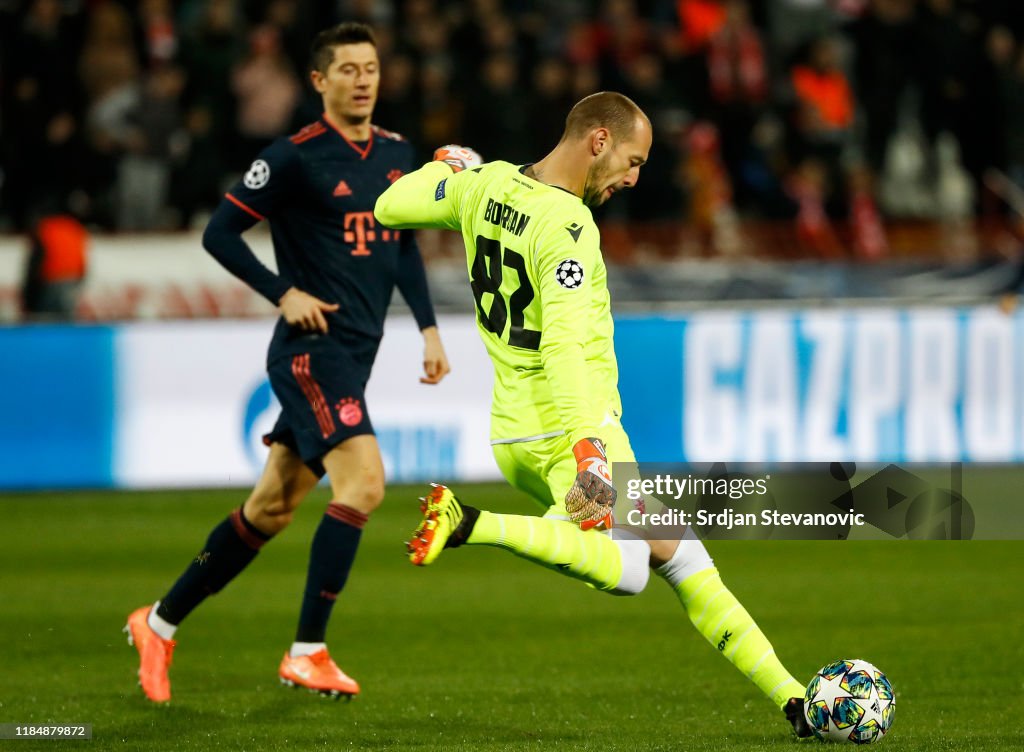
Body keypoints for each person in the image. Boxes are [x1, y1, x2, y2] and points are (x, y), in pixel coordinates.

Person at [374, 92, 811, 737]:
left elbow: (390, 206)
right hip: (572, 425)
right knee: (632, 571)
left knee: (681, 556)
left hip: (512, 432)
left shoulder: (486, 186)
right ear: (599, 142)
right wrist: (589, 450)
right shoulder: (570, 228)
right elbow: (566, 345)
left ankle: (797, 704)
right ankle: (473, 522)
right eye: (632, 161)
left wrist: (450, 169)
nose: (634, 178)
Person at [126, 22, 450, 703]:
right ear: (319, 82)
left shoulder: (398, 154)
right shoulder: (295, 156)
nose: (363, 79)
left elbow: (404, 249)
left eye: (371, 68)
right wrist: (284, 292)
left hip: (357, 354)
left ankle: (157, 622)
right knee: (363, 484)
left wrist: (427, 328)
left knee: (269, 511)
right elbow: (220, 231)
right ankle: (308, 651)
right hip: (312, 353)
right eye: (349, 70)